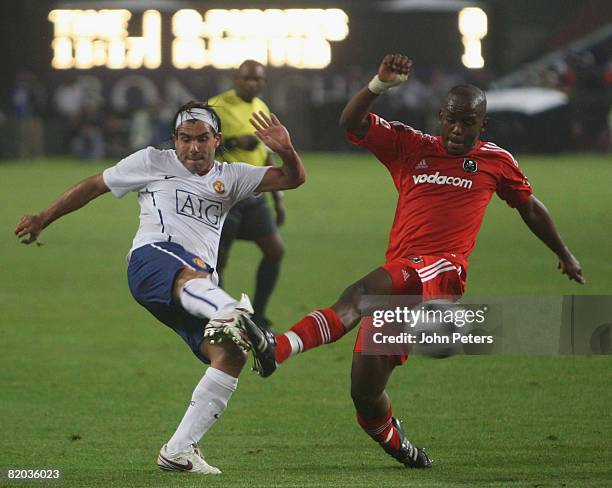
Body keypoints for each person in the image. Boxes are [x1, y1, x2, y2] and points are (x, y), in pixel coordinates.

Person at [246, 54, 585, 468]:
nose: (458, 130)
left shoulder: (497, 161)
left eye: (468, 123)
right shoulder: (412, 147)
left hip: (440, 273)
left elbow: (530, 208)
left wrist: (564, 254)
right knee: (365, 393)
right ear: (440, 117)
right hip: (402, 276)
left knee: (362, 292)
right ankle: (401, 447)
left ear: (484, 125)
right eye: (451, 120)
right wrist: (378, 86)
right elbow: (351, 124)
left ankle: (279, 348)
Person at [14, 101, 304, 475]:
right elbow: (94, 185)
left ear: (217, 140)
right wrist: (43, 218)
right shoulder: (152, 161)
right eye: (185, 139)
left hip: (193, 289)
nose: (193, 148)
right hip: (153, 261)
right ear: (174, 139)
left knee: (230, 355)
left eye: (202, 139)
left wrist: (288, 152)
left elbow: (292, 178)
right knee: (196, 278)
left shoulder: (232, 177)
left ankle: (179, 450)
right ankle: (231, 312)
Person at [209, 60, 285, 329]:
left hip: (255, 193)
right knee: (217, 262)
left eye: (259, 80)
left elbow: (267, 155)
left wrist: (278, 200)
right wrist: (233, 142)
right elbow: (197, 147)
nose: (253, 84)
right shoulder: (216, 106)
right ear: (236, 78)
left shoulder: (261, 108)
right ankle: (222, 317)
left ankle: (259, 316)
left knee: (275, 251)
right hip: (225, 194)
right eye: (248, 79)